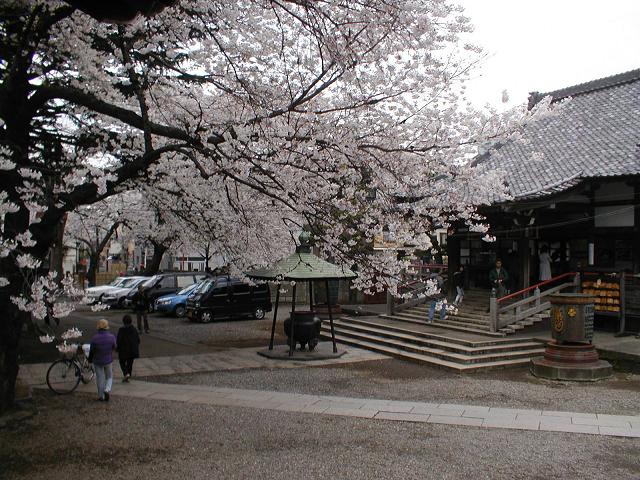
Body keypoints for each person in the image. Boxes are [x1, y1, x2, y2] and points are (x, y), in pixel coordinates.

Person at [88, 318, 116, 402]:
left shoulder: (94, 338)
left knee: (100, 378)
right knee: (109, 376)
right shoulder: (111, 337)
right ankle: (107, 389)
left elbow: (92, 351)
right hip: (108, 360)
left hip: (97, 361)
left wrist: (90, 360)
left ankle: (101, 396)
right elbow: (114, 347)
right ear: (107, 327)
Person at [116, 314, 140, 382]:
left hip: (123, 350)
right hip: (132, 350)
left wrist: (117, 348)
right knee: (130, 363)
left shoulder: (121, 330)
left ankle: (126, 373)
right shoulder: (134, 329)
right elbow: (138, 340)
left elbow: (119, 340)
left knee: (122, 362)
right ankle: (128, 374)